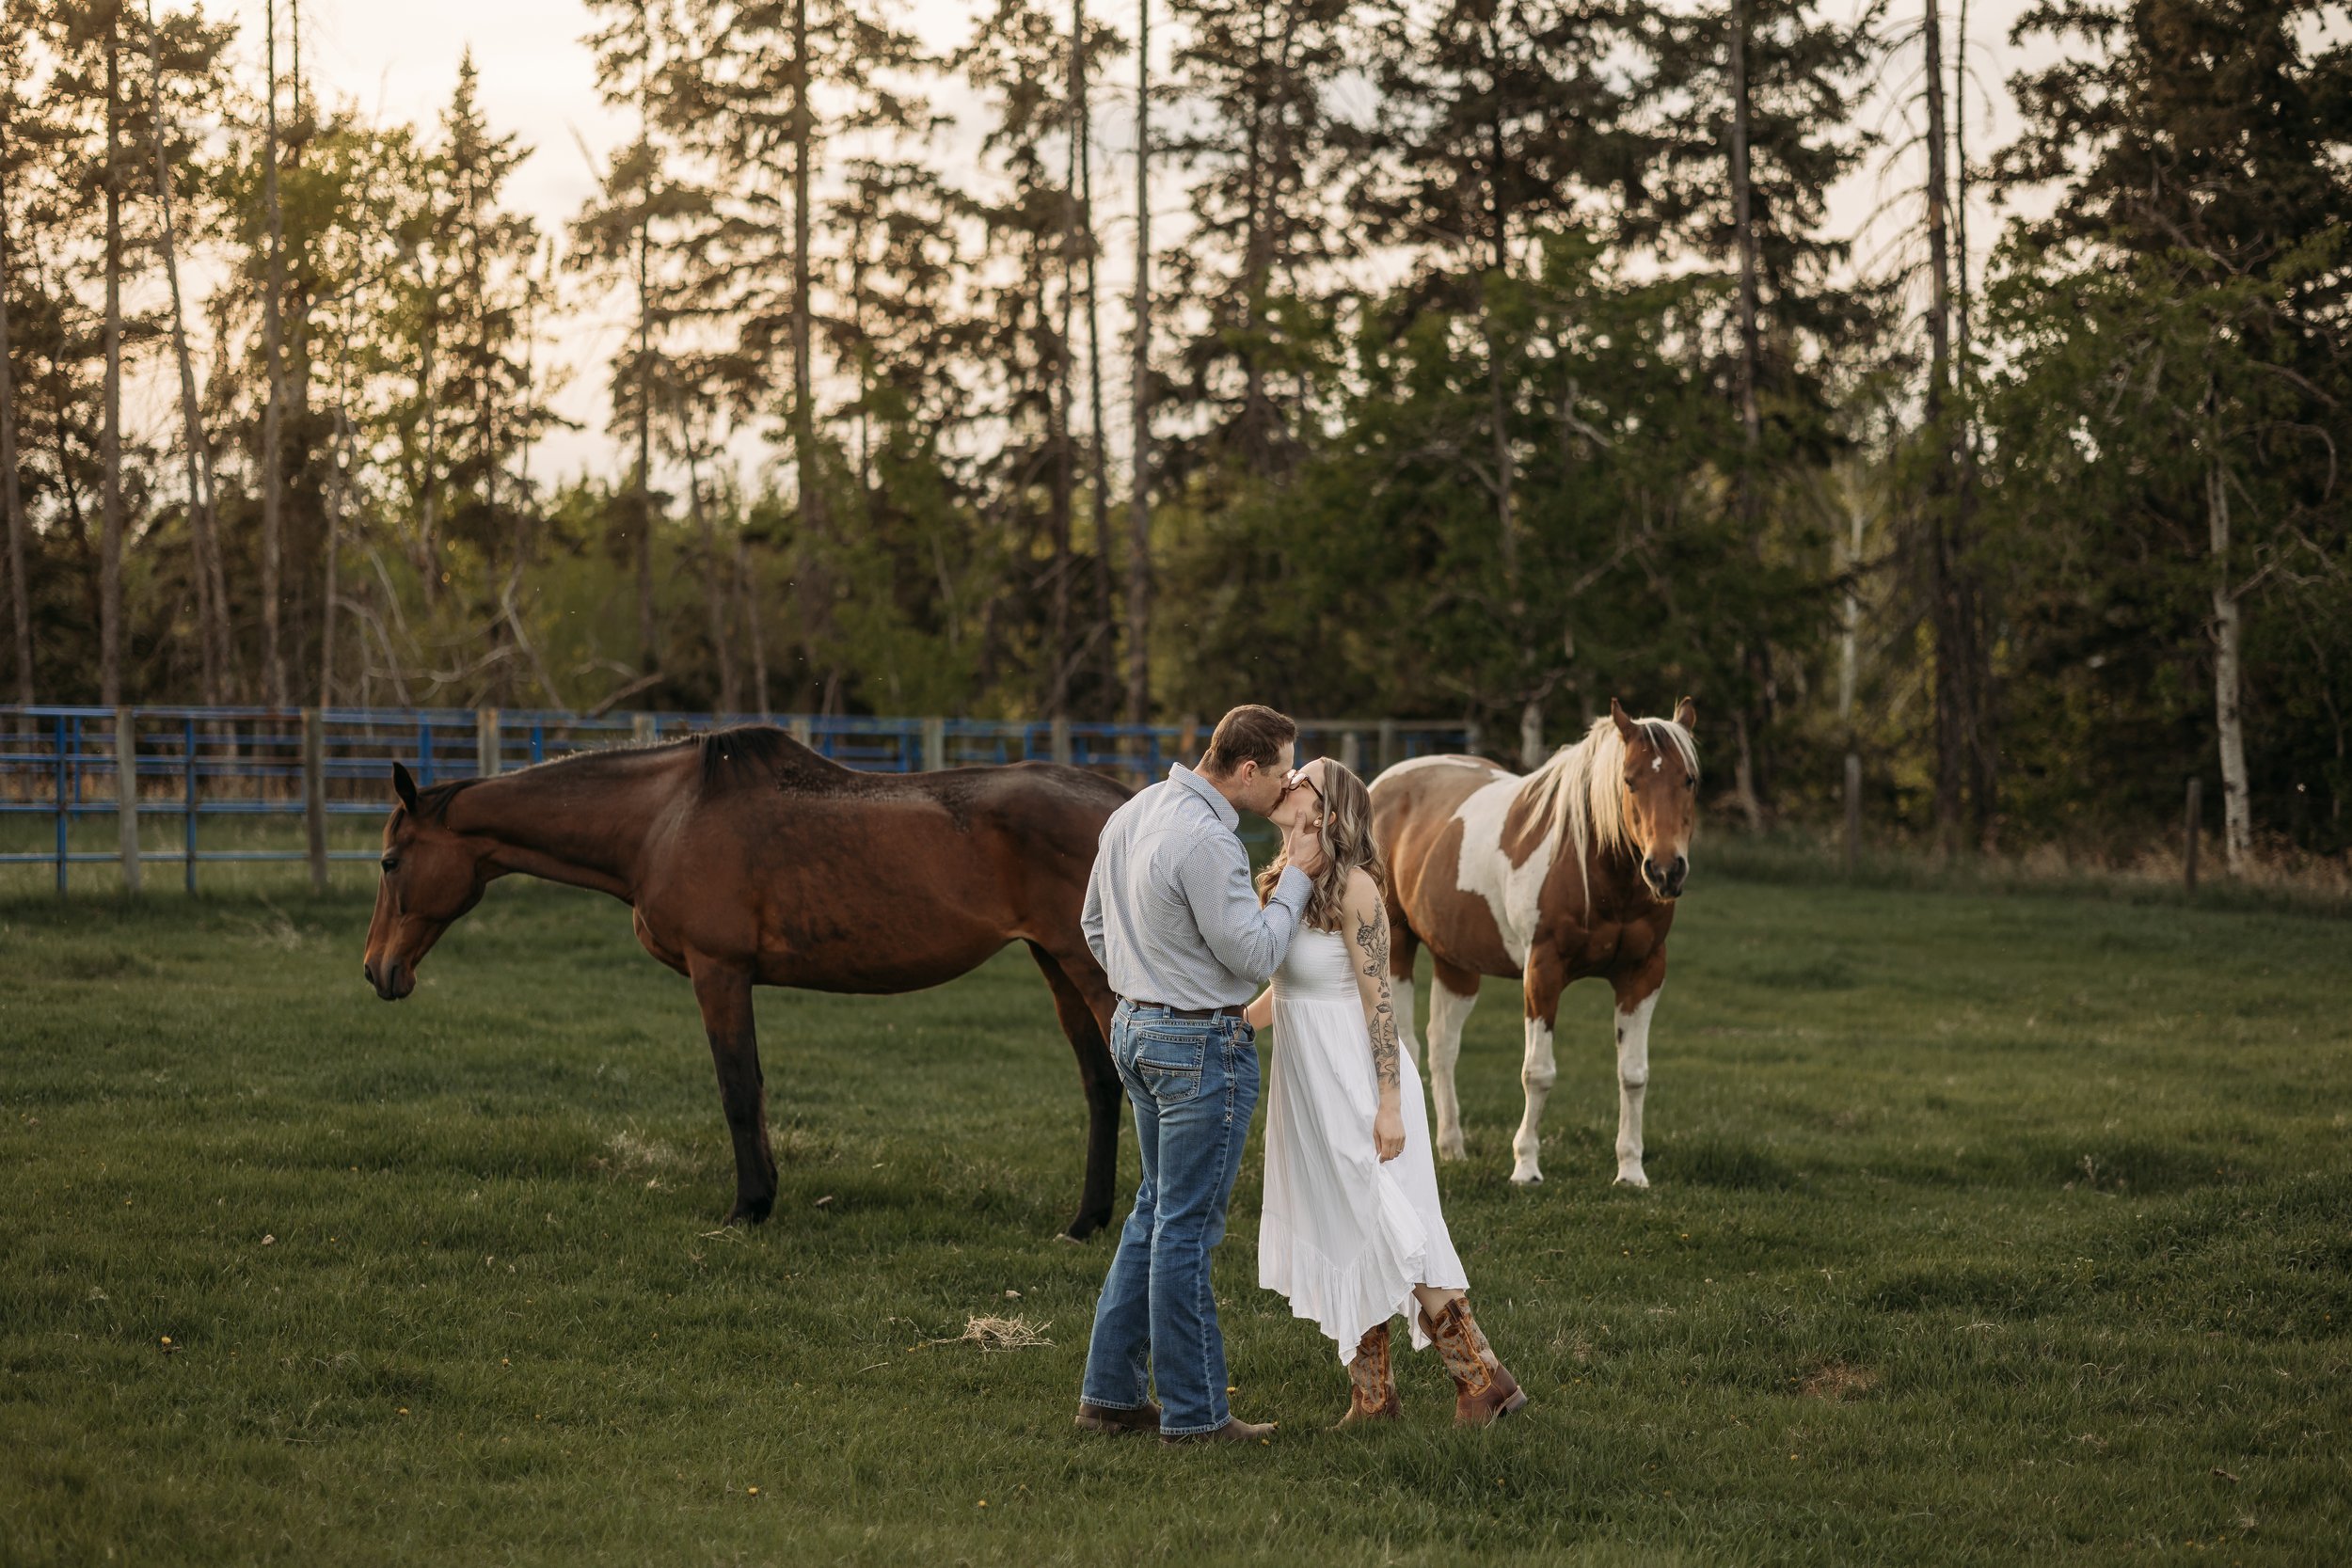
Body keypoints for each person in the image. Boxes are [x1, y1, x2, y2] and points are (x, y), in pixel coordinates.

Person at [1075, 704, 1328, 1445]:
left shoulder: (1135, 809)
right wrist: (1299, 880)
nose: (1287, 785)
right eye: (1282, 770)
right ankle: (1195, 1416)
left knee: (1154, 1214)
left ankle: (1111, 1397)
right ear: (1247, 770)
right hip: (1194, 1046)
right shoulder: (1209, 839)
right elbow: (1255, 955)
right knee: (1184, 1230)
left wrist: (1147, 977)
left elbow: (1093, 923)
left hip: (1135, 1029)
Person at [1248, 756, 1526, 1426]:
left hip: (1358, 1080)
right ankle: (1374, 1398)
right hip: (1307, 1086)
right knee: (1346, 1228)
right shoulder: (1290, 880)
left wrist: (1391, 1101)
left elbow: (1380, 1007)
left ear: (1331, 810)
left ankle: (1485, 1380)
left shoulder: (1359, 890)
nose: (1287, 780)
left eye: (1303, 777)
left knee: (1391, 1222)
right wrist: (1233, 1022)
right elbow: (1290, 991)